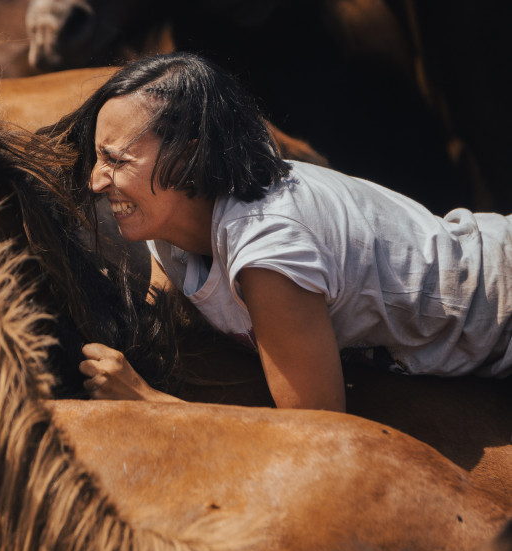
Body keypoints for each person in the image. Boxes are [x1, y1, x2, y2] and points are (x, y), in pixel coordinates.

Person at [46, 52, 512, 413]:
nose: (96, 181)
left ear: (188, 157)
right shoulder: (169, 223)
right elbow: (165, 309)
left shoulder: (269, 249)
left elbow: (317, 429)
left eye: (116, 160)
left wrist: (149, 403)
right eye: (99, 158)